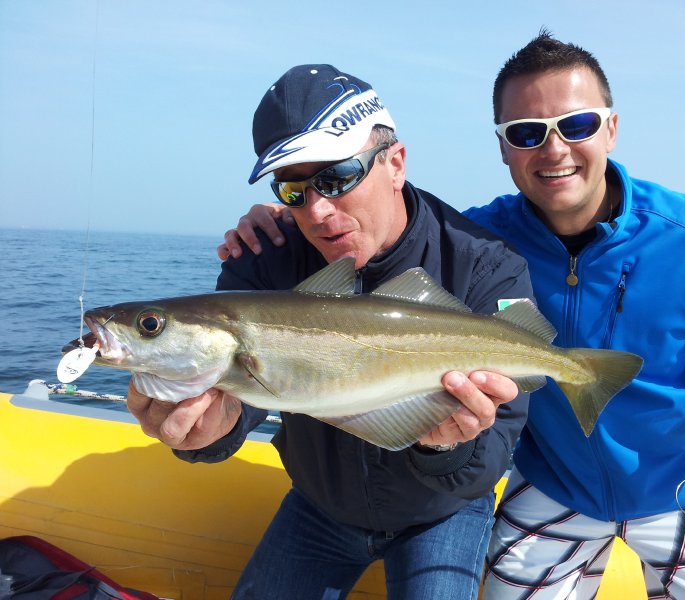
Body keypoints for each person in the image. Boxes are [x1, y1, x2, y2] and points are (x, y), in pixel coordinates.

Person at [219, 34, 685, 599]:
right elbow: (383, 246)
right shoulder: (481, 241)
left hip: (683, 485)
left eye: (578, 125)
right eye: (526, 133)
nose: (555, 148)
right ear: (503, 147)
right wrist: (288, 215)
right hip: (554, 486)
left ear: (611, 128)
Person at [128, 63, 535, 599]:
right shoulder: (262, 259)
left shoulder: (486, 266)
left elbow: (499, 435)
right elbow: (239, 401)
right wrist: (210, 432)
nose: (318, 210)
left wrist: (446, 452)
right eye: (293, 189)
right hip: (320, 505)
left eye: (337, 177)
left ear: (396, 163)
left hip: (442, 511)